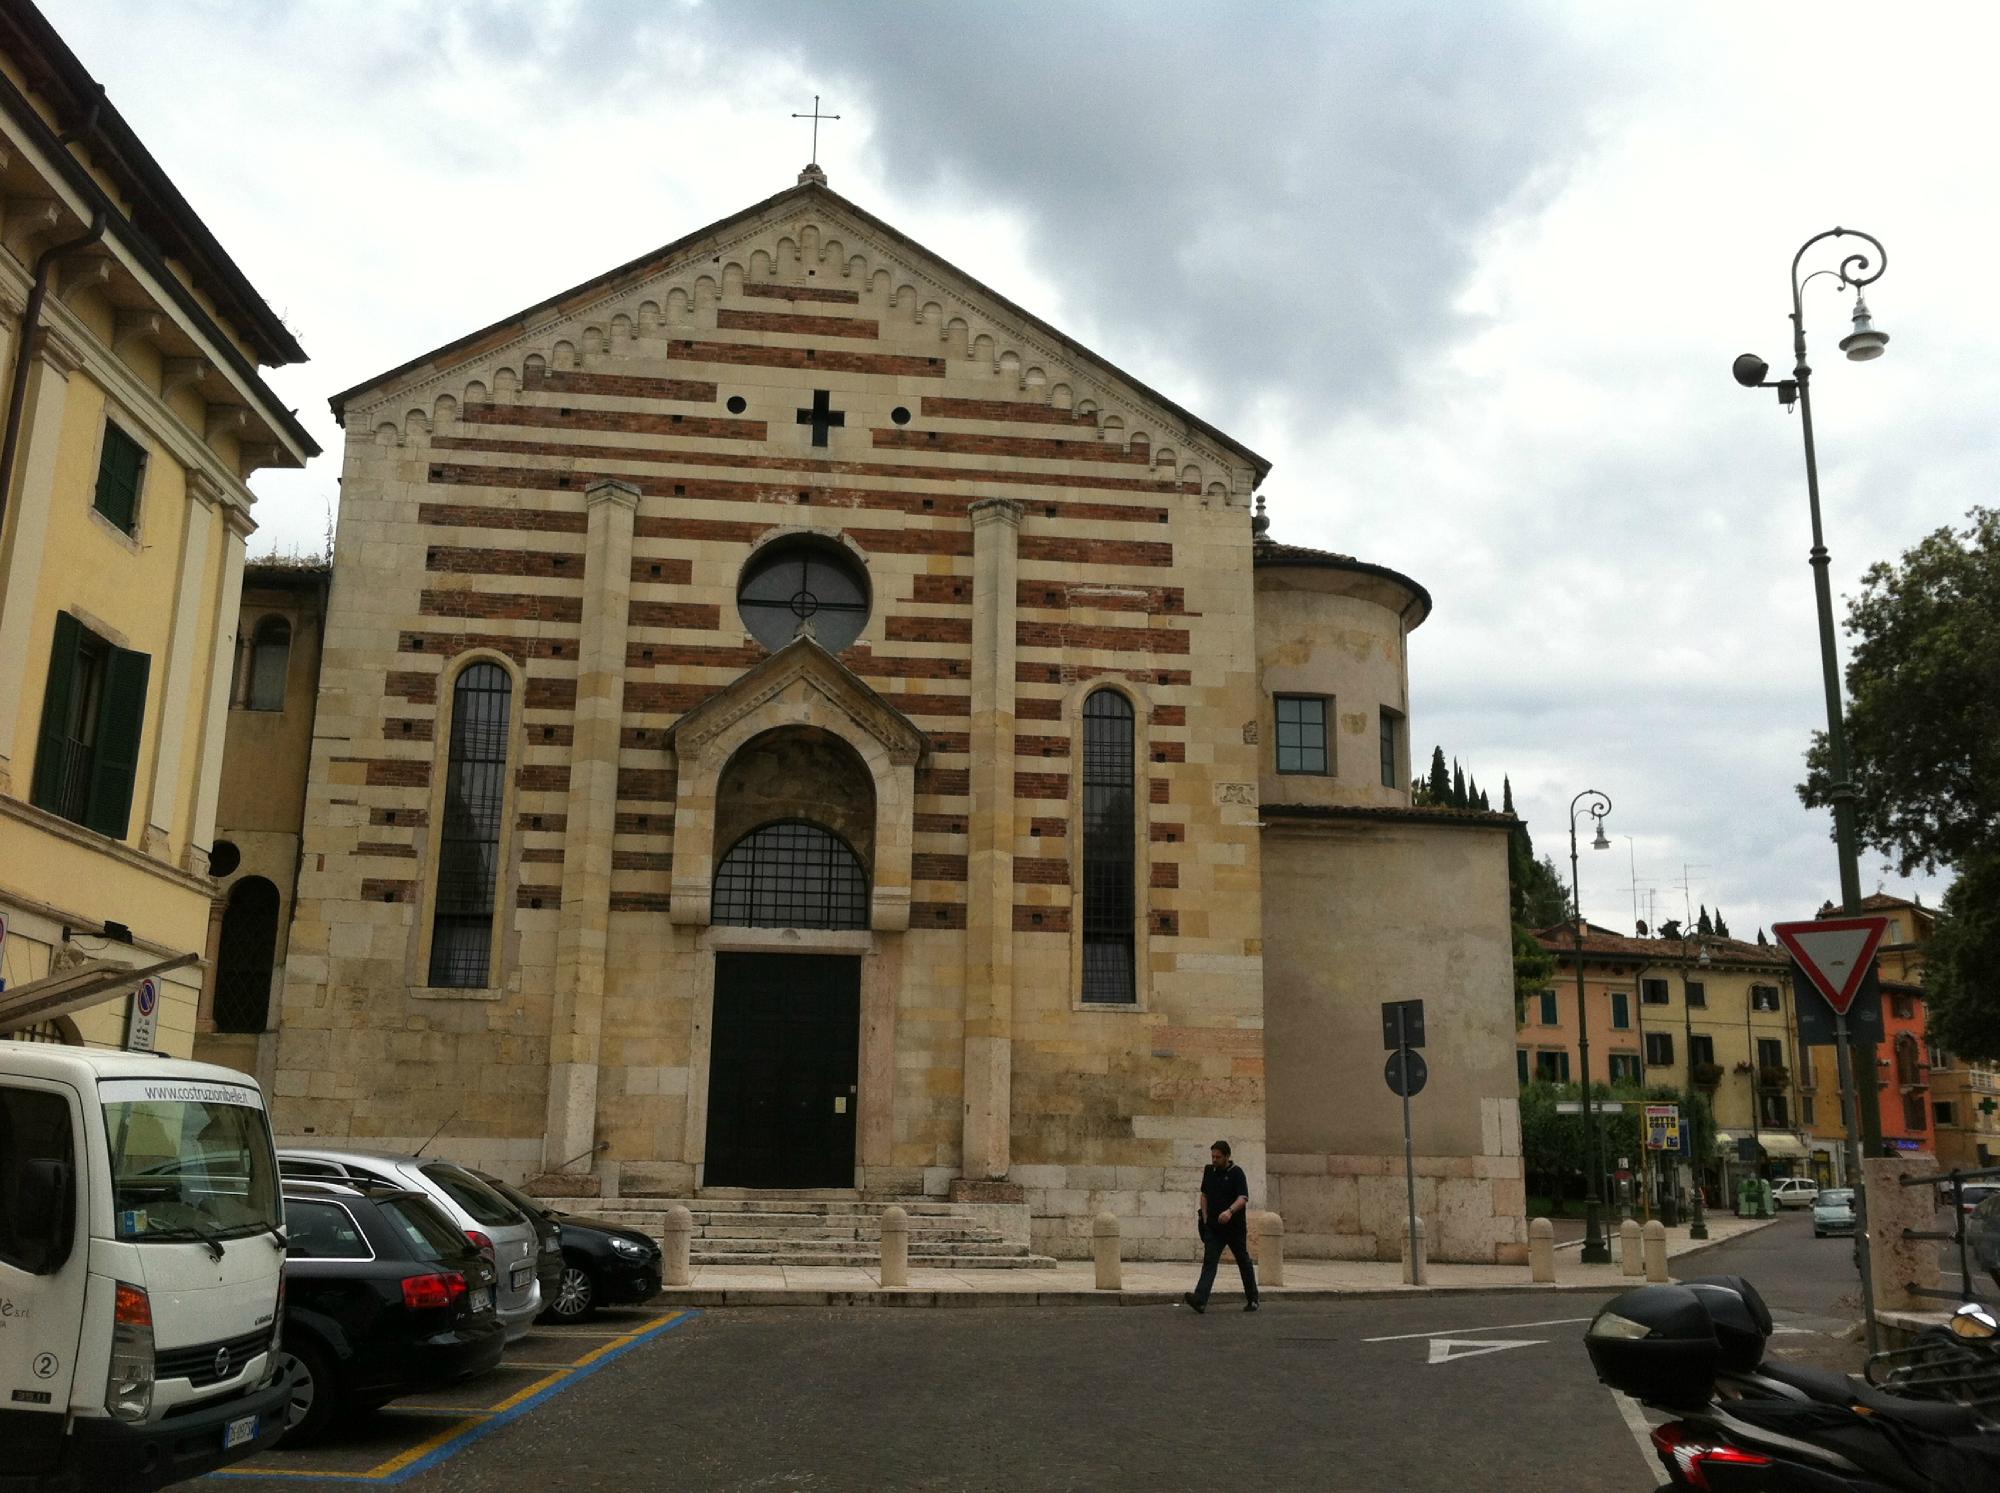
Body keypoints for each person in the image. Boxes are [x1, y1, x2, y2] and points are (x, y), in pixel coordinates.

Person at [1184, 1139, 1259, 1313]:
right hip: (1214, 1228)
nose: (1215, 1160)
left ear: (1227, 1156)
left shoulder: (1236, 1173)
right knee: (1210, 1262)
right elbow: (1204, 1195)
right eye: (1213, 1156)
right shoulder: (1209, 1171)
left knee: (1243, 1261)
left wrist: (1229, 1212)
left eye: (1218, 1157)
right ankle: (1200, 1300)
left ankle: (1253, 1299)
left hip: (1234, 1228)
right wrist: (1205, 1216)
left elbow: (1243, 1198)